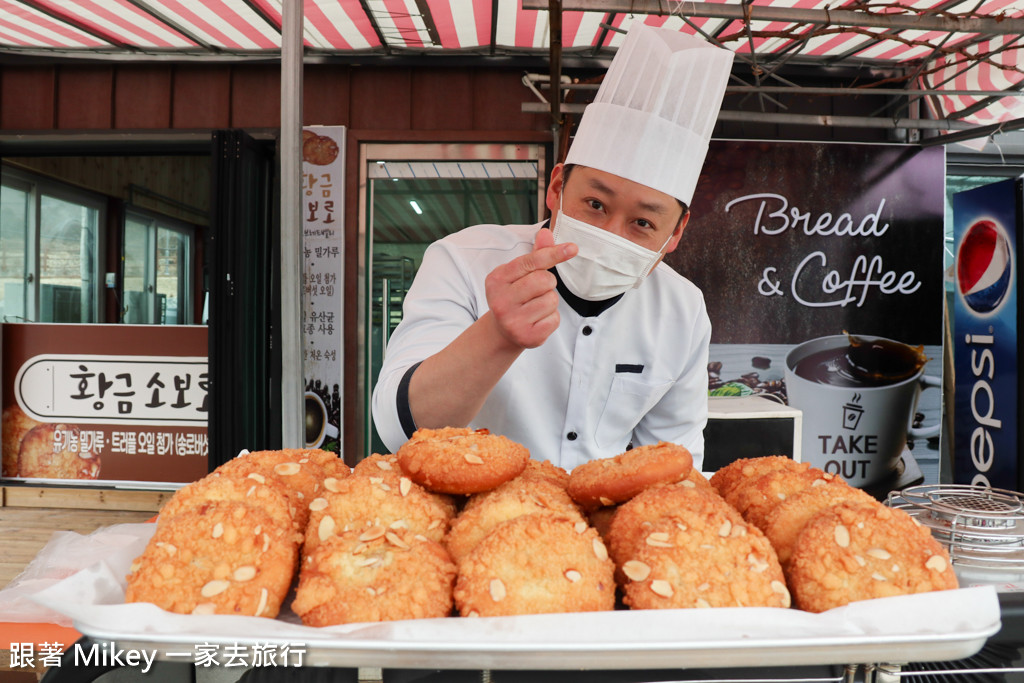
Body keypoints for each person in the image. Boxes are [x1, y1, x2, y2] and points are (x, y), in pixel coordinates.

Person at [372, 23, 734, 473]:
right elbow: (399, 428)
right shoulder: (462, 260)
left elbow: (672, 462)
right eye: (595, 204)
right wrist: (497, 336)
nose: (612, 232)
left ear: (675, 233)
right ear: (558, 187)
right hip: (470, 526)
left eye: (643, 222)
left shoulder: (682, 310)